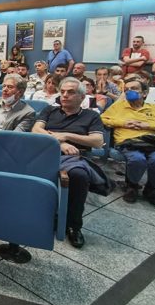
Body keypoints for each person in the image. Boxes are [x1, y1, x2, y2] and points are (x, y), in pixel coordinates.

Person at [32, 77, 105, 248]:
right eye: (62, 91)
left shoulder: (91, 115)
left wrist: (67, 136)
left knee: (78, 175)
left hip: (75, 156)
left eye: (70, 92)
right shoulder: (50, 110)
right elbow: (36, 129)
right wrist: (60, 143)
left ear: (82, 96)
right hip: (46, 151)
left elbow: (97, 141)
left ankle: (73, 225)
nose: (65, 95)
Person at [101, 78, 155, 208]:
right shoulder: (119, 106)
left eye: (134, 88)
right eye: (126, 89)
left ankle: (150, 189)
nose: (129, 92)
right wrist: (123, 123)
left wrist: (149, 125)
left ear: (144, 93)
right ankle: (132, 187)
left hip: (150, 143)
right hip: (127, 142)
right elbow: (102, 118)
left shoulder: (154, 108)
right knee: (137, 159)